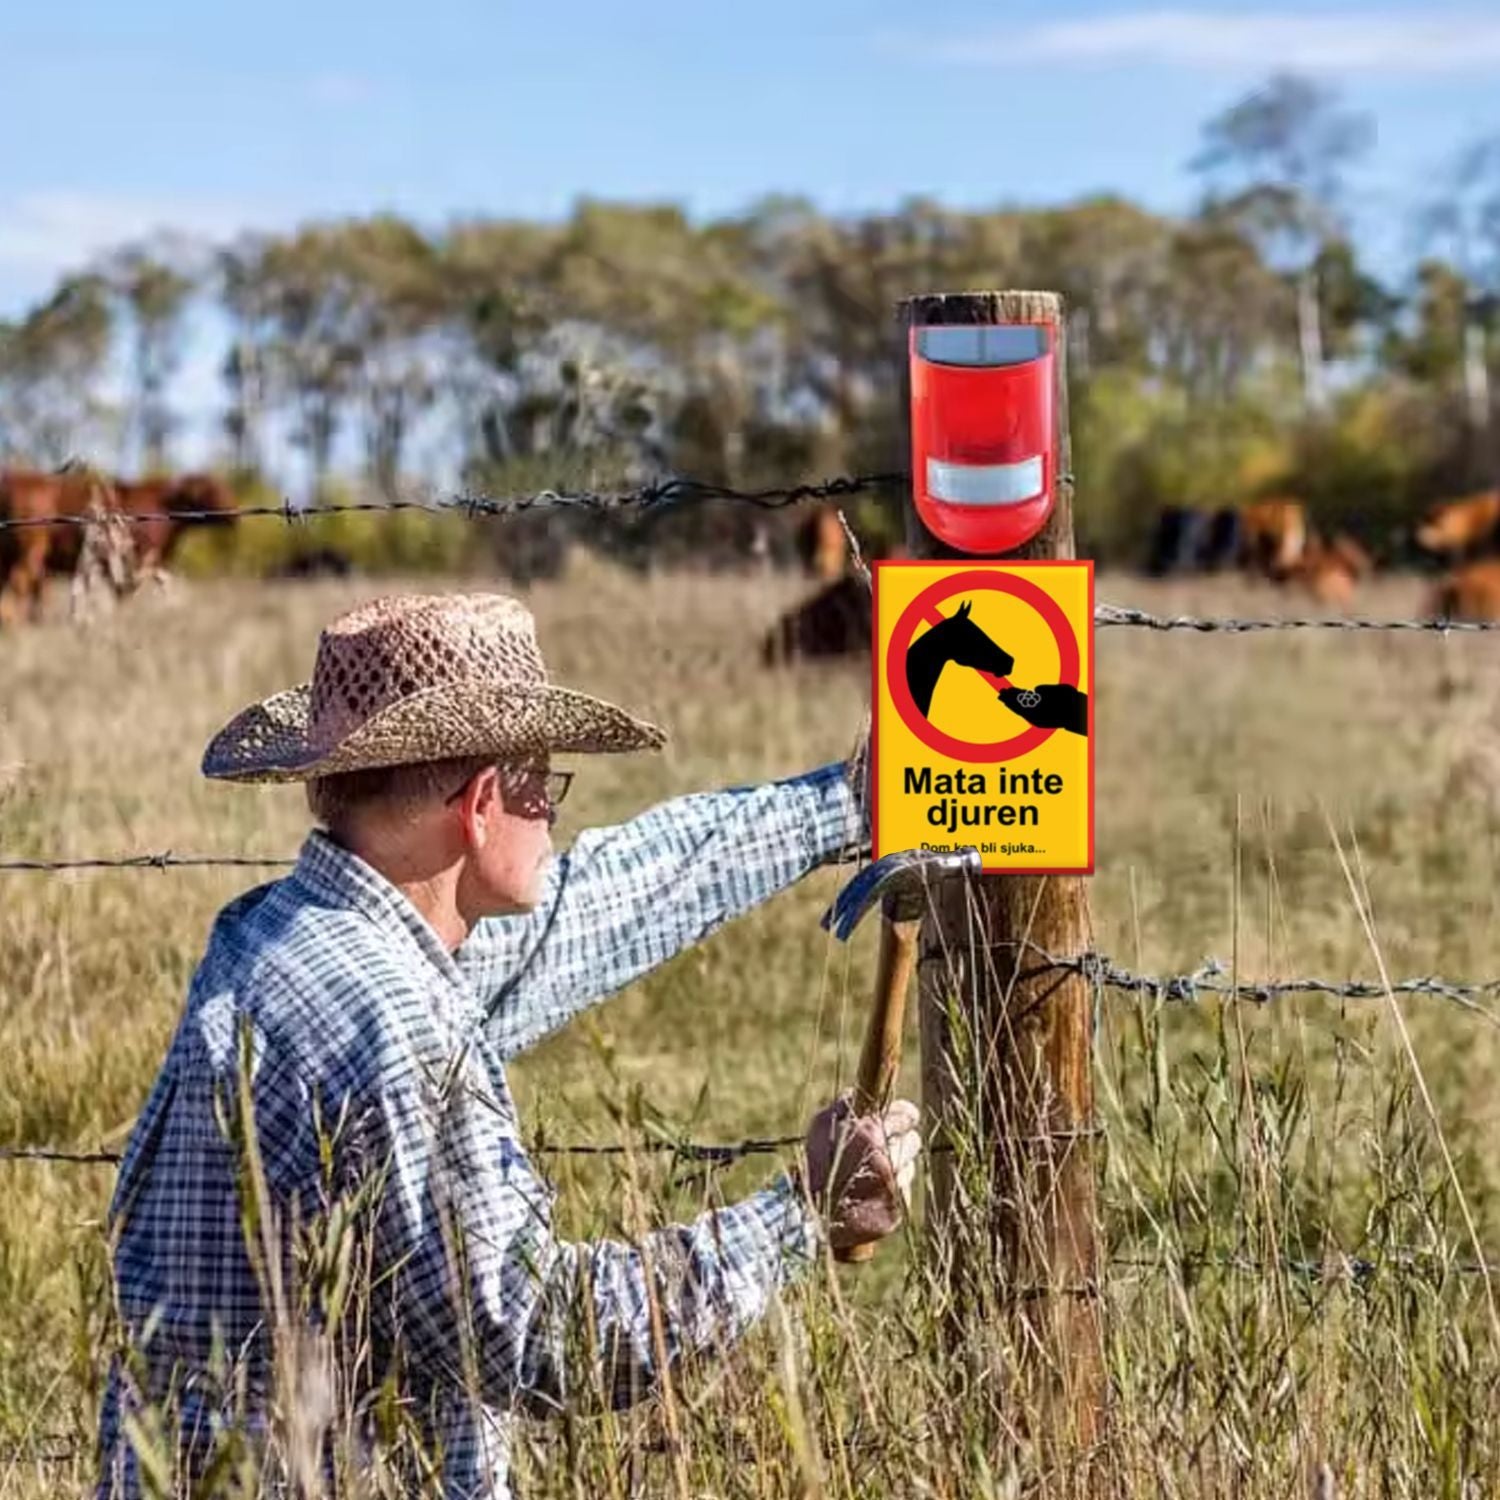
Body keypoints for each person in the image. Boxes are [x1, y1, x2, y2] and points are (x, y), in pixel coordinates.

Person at [97, 591, 919, 1499]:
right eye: (546, 784)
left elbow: (606, 901)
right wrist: (799, 1213)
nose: (554, 816)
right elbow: (535, 1333)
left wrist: (847, 806)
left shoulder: (278, 937)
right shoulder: (398, 1023)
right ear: (484, 802)